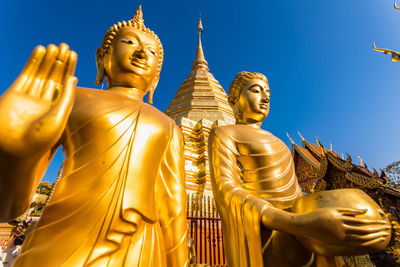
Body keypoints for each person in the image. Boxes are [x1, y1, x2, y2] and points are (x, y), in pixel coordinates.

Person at [0, 6, 187, 266]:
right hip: (63, 240)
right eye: (129, 42)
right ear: (103, 58)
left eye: (152, 51)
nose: (142, 53)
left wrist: (178, 262)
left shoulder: (167, 126)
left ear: (156, 77)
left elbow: (173, 208)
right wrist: (15, 154)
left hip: (141, 246)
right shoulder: (72, 98)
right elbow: (8, 208)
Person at [208, 71, 391, 267]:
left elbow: (296, 195)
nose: (265, 97)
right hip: (267, 231)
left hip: (305, 231)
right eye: (256, 90)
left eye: (268, 93)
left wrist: (323, 218)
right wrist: (291, 222)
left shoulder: (279, 144)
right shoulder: (223, 133)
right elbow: (226, 190)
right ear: (233, 100)